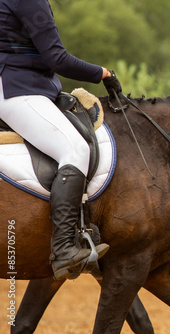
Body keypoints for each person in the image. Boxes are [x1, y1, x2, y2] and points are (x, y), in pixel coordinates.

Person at [0, 0, 121, 280]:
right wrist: (103, 73)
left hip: (23, 85)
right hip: (17, 90)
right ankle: (64, 247)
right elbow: (57, 58)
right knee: (75, 149)